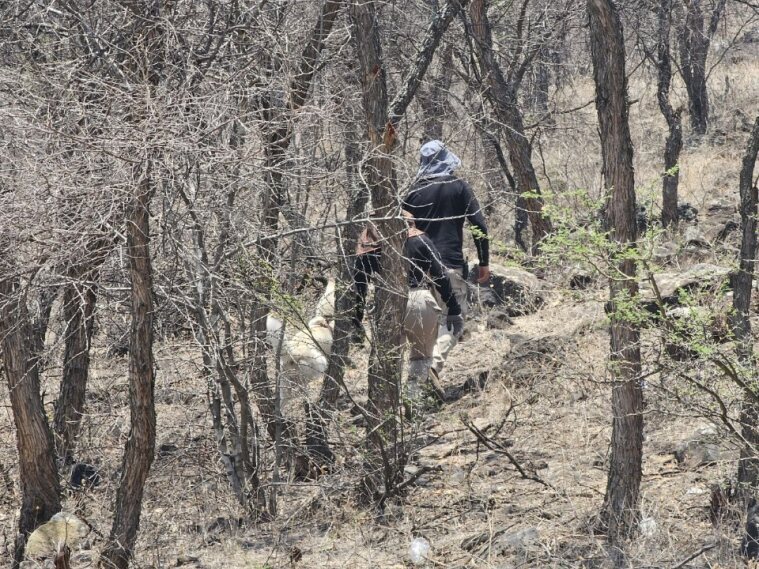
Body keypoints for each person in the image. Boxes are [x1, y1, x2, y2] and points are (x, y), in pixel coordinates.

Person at [350, 212, 464, 406]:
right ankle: (412, 401)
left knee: (386, 362)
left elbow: (359, 289)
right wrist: (453, 308)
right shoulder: (420, 240)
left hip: (386, 304)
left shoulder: (366, 249)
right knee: (421, 359)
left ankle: (384, 412)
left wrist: (356, 321)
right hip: (419, 298)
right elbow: (440, 276)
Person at [402, 140, 490, 375]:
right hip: (450, 265)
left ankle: (418, 382)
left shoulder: (411, 191)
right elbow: (479, 225)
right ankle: (433, 367)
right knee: (455, 321)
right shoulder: (458, 186)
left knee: (426, 330)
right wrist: (484, 262)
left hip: (417, 272)